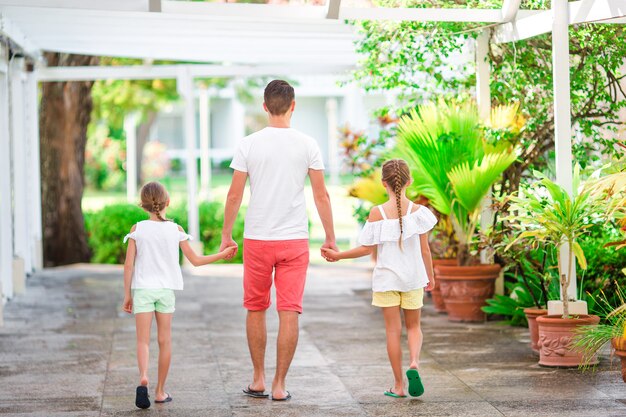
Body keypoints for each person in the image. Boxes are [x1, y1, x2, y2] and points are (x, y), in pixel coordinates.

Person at [219, 80, 337, 401]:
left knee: (255, 309)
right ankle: (279, 384)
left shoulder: (248, 144)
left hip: (257, 239)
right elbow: (321, 195)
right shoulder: (308, 144)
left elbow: (234, 195)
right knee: (289, 311)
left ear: (265, 106)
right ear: (293, 105)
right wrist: (330, 238)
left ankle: (257, 378)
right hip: (294, 240)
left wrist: (225, 235)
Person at [321, 159, 437, 398]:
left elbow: (365, 249)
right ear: (410, 181)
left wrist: (339, 255)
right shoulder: (420, 213)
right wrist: (431, 277)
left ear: (384, 183)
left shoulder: (378, 213)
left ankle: (398, 386)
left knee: (393, 332)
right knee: (414, 327)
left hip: (387, 281)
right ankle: (414, 362)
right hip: (414, 279)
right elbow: (425, 250)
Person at [122, 181, 237, 409]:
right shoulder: (176, 231)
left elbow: (128, 265)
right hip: (166, 291)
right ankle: (160, 391)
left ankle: (144, 376)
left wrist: (127, 295)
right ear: (168, 203)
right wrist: (221, 254)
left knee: (143, 341)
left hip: (143, 289)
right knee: (164, 341)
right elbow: (195, 260)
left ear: (143, 205)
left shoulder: (138, 230)